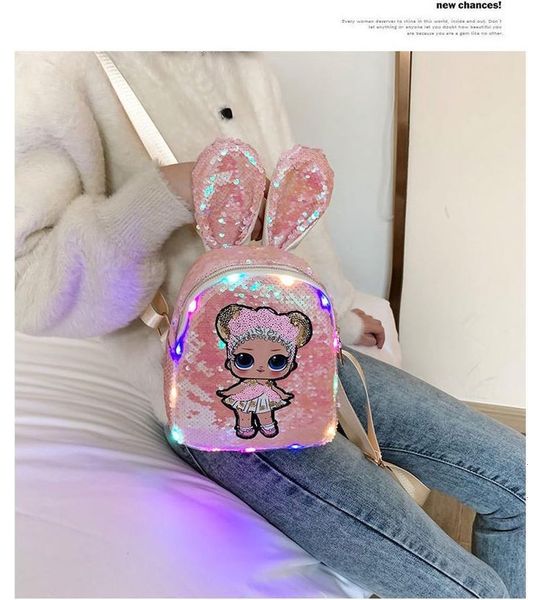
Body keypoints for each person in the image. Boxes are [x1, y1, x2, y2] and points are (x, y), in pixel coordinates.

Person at [15, 52, 525, 598]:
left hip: (314, 357)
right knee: (474, 590)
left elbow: (290, 233)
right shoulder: (62, 65)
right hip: (210, 405)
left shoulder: (245, 64)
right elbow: (32, 289)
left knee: (521, 479)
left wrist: (339, 317)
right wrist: (160, 197)